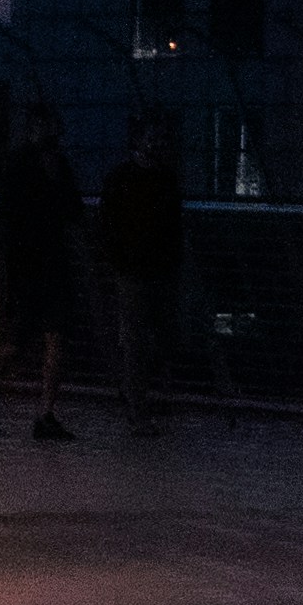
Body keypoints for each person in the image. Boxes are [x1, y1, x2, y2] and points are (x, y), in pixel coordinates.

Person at [0, 105, 86, 442]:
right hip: (37, 262)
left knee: (45, 337)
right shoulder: (33, 165)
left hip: (41, 262)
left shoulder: (40, 164)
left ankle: (39, 410)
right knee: (29, 338)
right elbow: (71, 210)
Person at [96, 112, 186, 432]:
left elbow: (107, 223)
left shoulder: (123, 178)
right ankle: (140, 406)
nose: (157, 144)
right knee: (143, 340)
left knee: (143, 340)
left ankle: (138, 401)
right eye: (154, 138)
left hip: (140, 270)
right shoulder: (163, 179)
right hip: (144, 270)